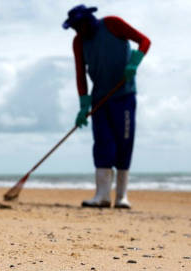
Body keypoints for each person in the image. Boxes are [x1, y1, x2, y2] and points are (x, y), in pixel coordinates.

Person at [63, 5, 150, 209]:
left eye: (78, 26)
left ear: (88, 20)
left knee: (124, 143)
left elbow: (145, 41)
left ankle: (121, 197)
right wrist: (83, 104)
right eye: (74, 28)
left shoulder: (112, 24)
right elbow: (80, 73)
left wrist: (134, 63)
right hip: (100, 99)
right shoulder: (78, 42)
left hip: (124, 95)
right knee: (102, 145)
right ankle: (101, 195)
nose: (77, 31)